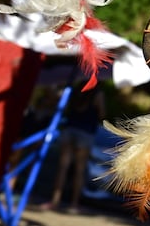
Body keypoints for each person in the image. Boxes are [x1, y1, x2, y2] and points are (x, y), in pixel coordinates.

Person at [42, 81, 106, 213]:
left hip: (70, 128)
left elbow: (65, 107)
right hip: (85, 132)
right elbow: (102, 114)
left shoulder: (77, 88)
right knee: (79, 169)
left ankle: (55, 200)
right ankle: (74, 204)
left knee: (63, 167)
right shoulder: (98, 93)